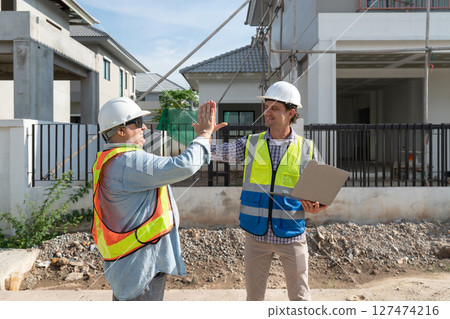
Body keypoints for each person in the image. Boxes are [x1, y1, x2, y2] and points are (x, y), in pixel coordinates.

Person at [210, 81, 328, 301]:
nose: (267, 112)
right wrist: (204, 136)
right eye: (267, 107)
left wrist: (318, 207)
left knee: (300, 298)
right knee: (254, 299)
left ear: (291, 112)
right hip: (256, 236)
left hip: (292, 236)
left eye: (274, 108)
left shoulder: (306, 149)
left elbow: (322, 194)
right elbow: (213, 153)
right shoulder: (251, 144)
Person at [92, 97, 215, 301]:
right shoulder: (128, 162)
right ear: (121, 131)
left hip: (133, 263)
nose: (144, 128)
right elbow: (183, 166)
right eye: (138, 123)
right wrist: (204, 134)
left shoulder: (113, 160)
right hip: (140, 268)